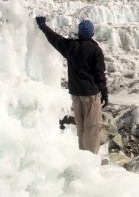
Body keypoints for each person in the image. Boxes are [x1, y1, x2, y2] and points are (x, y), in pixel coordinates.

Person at [35, 16, 108, 154]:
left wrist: (43, 25)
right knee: (92, 127)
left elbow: (54, 38)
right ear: (92, 33)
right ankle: (90, 160)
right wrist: (104, 92)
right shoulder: (95, 50)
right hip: (91, 95)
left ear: (79, 33)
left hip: (76, 95)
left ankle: (82, 157)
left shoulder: (70, 46)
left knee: (80, 128)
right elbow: (99, 74)